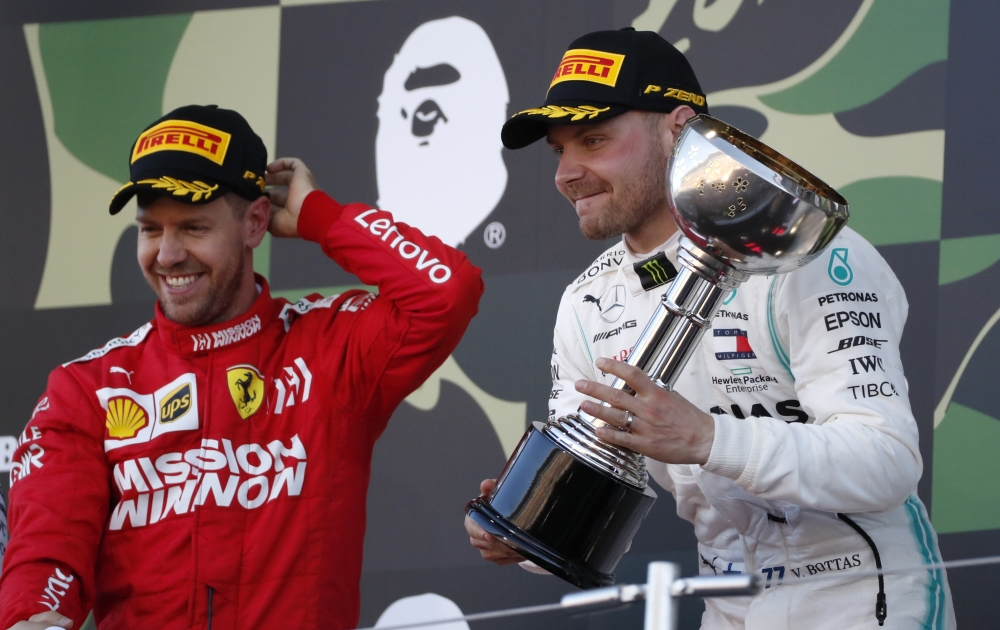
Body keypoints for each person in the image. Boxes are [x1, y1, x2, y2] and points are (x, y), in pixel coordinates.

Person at [465, 28, 955, 629]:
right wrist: (524, 525)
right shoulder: (588, 302)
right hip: (728, 601)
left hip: (860, 595)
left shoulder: (806, 254)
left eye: (593, 139)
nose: (568, 173)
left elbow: (886, 463)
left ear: (679, 129)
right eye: (558, 150)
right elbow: (592, 485)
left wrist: (706, 438)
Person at [0, 104, 483, 630]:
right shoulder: (87, 388)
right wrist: (35, 617)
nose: (166, 254)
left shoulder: (329, 348)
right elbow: (48, 547)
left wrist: (319, 214)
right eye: (150, 229)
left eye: (192, 227)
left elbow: (445, 291)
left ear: (255, 223)